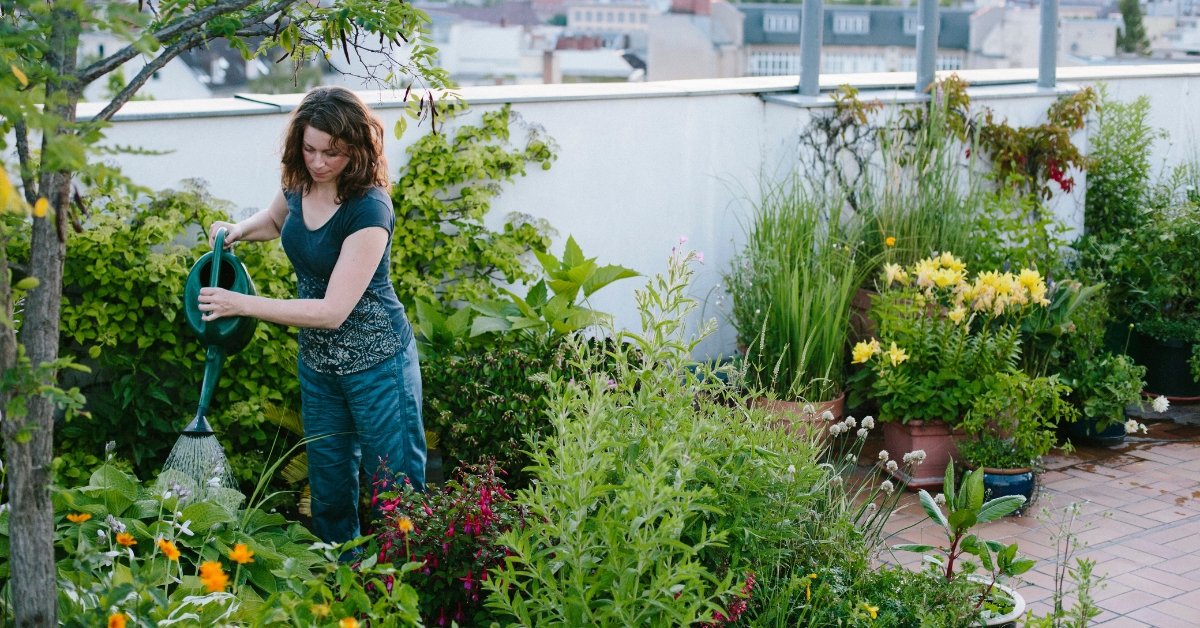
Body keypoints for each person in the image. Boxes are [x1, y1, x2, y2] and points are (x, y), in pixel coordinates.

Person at [199, 86, 426, 545]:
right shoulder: (299, 183)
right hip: (320, 367)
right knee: (329, 491)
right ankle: (340, 576)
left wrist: (240, 303)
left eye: (332, 153)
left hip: (379, 366)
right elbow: (276, 220)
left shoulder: (369, 208)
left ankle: (405, 578)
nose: (318, 162)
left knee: (395, 489)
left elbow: (331, 311)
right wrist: (238, 229)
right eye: (309, 149)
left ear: (357, 149)